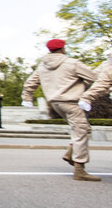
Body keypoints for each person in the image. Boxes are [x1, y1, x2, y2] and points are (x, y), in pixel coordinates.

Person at [22, 39, 99, 181]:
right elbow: (95, 78)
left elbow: (30, 83)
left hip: (55, 104)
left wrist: (27, 97)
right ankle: (79, 168)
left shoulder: (42, 66)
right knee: (81, 132)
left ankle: (70, 153)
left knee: (83, 130)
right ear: (63, 48)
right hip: (72, 102)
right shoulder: (72, 63)